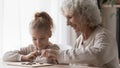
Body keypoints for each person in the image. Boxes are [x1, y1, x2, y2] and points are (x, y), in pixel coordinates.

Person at [42, 0, 120, 68]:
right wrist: (54, 59)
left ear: (84, 15)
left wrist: (60, 55)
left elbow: (98, 56)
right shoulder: (79, 40)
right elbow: (75, 63)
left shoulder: (104, 36)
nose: (67, 23)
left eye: (70, 17)